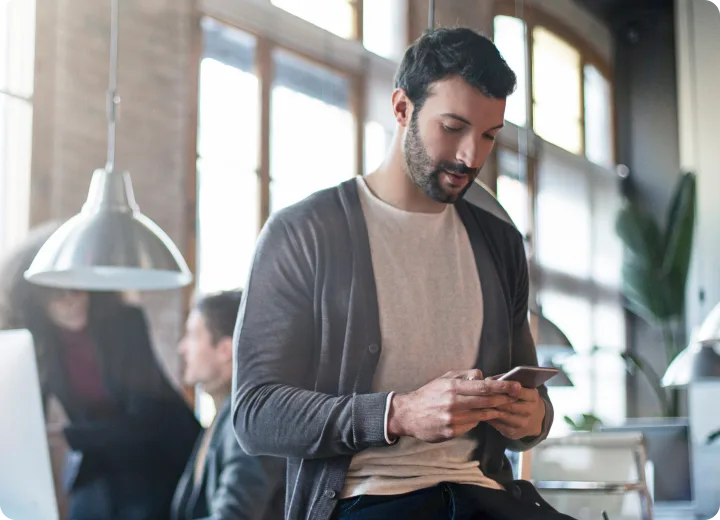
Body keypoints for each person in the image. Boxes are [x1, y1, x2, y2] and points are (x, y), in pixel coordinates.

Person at [232, 27, 576, 520]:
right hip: (368, 501)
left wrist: (531, 416)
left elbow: (530, 403)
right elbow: (255, 413)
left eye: (488, 136)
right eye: (453, 127)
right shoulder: (305, 232)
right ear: (401, 108)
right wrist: (398, 413)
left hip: (485, 498)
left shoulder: (500, 245)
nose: (470, 157)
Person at [0, 222, 202, 520]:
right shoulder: (38, 344)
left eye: (77, 285)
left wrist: (71, 436)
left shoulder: (125, 322)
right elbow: (31, 413)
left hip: (155, 456)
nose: (72, 298)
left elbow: (148, 421)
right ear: (34, 297)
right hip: (99, 465)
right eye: (57, 292)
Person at [172, 290, 285, 520]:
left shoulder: (246, 419)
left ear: (225, 349)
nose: (182, 348)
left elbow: (235, 515)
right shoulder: (222, 414)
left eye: (193, 335)